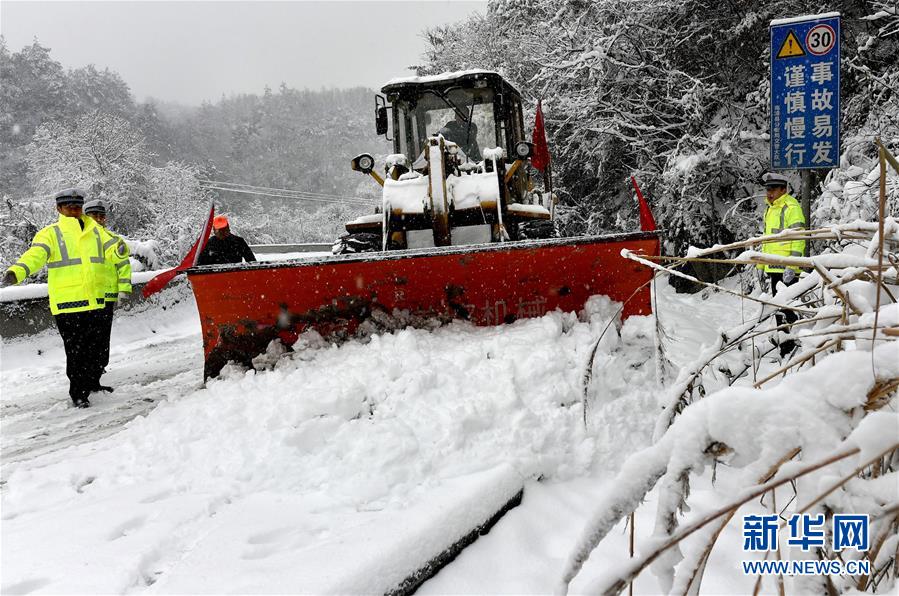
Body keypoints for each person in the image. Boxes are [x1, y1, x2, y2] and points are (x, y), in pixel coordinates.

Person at [1, 188, 123, 407]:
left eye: (77, 207)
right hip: (68, 303)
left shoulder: (96, 230)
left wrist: (121, 250)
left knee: (97, 347)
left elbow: (114, 250)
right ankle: (78, 392)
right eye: (69, 207)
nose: (74, 211)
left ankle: (93, 382)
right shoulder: (50, 233)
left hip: (96, 300)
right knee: (77, 350)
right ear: (59, 208)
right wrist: (17, 271)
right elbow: (35, 256)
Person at [83, 198, 132, 389]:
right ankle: (86, 379)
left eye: (101, 215)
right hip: (85, 298)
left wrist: (124, 290)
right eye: (94, 215)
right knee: (86, 340)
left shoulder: (113, 240)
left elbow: (123, 266)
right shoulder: (80, 241)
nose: (98, 218)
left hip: (106, 297)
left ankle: (96, 375)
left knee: (101, 339)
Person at [758, 172, 806, 358]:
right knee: (779, 309)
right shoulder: (770, 209)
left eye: (773, 189)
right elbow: (767, 239)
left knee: (787, 309)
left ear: (783, 190)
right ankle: (784, 346)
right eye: (767, 189)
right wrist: (761, 265)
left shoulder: (791, 207)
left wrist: (792, 266)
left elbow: (799, 237)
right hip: (773, 267)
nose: (769, 193)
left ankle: (791, 346)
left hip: (786, 268)